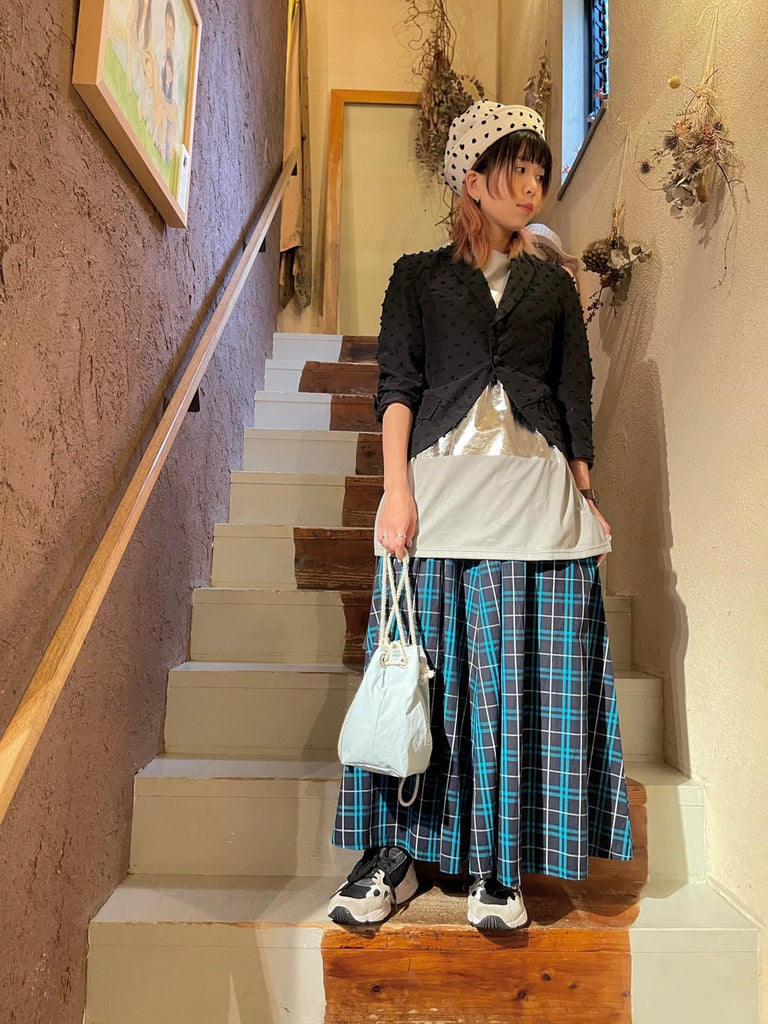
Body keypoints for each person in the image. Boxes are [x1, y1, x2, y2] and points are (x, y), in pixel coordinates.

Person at [328, 101, 632, 930]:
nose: (533, 187)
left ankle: (502, 865)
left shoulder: (553, 284)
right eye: (516, 172)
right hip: (438, 499)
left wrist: (586, 496)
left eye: (540, 174)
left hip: (534, 503)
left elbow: (572, 392)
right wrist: (395, 489)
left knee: (510, 688)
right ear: (471, 180)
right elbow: (398, 386)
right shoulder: (417, 277)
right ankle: (394, 857)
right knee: (418, 682)